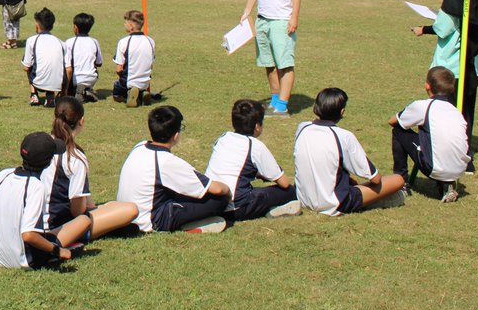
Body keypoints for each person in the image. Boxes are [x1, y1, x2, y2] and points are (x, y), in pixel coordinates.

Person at [411, 0, 478, 171]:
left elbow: (443, 28)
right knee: (466, 112)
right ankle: (466, 157)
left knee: (446, 113)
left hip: (451, 66)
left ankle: (448, 157)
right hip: (472, 64)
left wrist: (425, 28)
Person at [0, 132, 88, 270]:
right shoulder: (36, 187)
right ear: (49, 162)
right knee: (84, 220)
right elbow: (28, 235)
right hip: (25, 260)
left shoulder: (5, 174)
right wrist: (57, 251)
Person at [116, 106, 231, 234]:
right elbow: (217, 189)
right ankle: (187, 226)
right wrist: (228, 191)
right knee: (218, 200)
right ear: (176, 135)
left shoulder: (139, 146)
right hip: (150, 221)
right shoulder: (166, 161)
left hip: (125, 214)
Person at [293, 88, 406, 215]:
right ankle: (373, 201)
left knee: (348, 179)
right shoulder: (344, 136)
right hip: (335, 203)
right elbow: (375, 179)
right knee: (398, 180)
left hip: (302, 197)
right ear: (342, 111)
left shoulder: (302, 127)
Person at [42, 97, 139, 240]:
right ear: (81, 121)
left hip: (33, 221)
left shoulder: (41, 144)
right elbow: (77, 211)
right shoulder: (74, 158)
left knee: (111, 205)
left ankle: (108, 226)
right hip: (59, 228)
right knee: (130, 209)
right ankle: (106, 229)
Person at [205, 99, 300, 221]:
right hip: (237, 207)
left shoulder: (223, 137)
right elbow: (284, 183)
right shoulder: (254, 145)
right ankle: (277, 209)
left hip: (212, 203)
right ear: (257, 126)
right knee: (289, 191)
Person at [389, 67, 470, 202]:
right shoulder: (455, 111)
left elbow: (393, 121)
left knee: (398, 131)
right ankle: (446, 184)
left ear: (427, 85)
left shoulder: (423, 106)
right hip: (459, 169)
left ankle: (401, 183)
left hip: (434, 167)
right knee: (435, 140)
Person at [21, 7, 67, 108]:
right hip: (57, 84)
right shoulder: (61, 43)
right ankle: (50, 96)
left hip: (38, 82)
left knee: (29, 64)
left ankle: (34, 94)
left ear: (37, 25)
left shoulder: (32, 40)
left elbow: (26, 67)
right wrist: (64, 90)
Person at [113, 10, 156, 108]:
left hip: (128, 81)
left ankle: (129, 94)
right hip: (145, 82)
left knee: (117, 88)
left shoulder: (124, 42)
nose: (124, 25)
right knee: (138, 85)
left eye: (125, 23)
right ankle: (142, 93)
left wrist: (121, 76)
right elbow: (151, 65)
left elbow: (118, 68)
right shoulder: (150, 41)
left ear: (131, 26)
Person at [64, 12, 103, 104]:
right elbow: (99, 63)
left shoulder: (69, 42)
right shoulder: (94, 41)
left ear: (75, 27)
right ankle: (86, 90)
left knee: (66, 68)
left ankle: (77, 91)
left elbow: (67, 67)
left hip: (75, 79)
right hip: (92, 78)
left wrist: (64, 89)